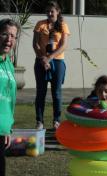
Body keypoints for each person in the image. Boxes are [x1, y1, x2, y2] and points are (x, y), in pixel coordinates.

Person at [33, 1, 70, 129]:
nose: (49, 13)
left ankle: (56, 121)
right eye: (47, 11)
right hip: (41, 62)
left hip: (57, 62)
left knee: (57, 93)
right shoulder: (40, 24)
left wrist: (49, 58)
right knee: (41, 92)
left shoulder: (63, 25)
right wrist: (43, 58)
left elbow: (63, 45)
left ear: (57, 11)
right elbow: (35, 44)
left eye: (52, 11)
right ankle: (39, 121)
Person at [0, 18, 19, 176]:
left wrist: (8, 128)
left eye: (13, 36)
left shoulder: (9, 66)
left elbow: (10, 99)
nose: (9, 39)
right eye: (5, 34)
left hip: (2, 129)